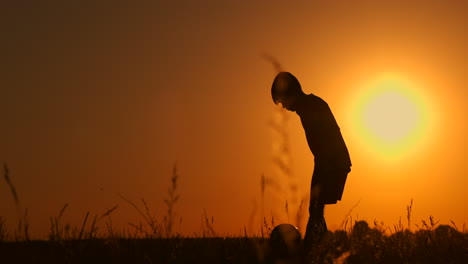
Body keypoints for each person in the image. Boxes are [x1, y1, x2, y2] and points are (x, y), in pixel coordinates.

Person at [270, 72, 352, 248]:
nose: (283, 107)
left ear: (291, 93)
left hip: (332, 161)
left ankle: (312, 246)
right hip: (327, 161)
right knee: (315, 207)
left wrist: (328, 166)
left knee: (316, 207)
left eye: (282, 101)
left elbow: (329, 137)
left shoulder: (312, 107)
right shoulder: (309, 106)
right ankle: (316, 244)